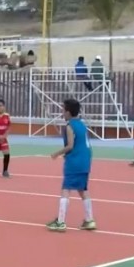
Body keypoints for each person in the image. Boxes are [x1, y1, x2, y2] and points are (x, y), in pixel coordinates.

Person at [47, 99, 96, 232]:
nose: (62, 112)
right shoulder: (82, 124)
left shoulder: (69, 126)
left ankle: (61, 222)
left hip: (74, 161)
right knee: (83, 190)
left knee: (66, 189)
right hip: (85, 161)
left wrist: (56, 153)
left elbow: (70, 146)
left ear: (68, 112)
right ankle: (89, 220)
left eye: (63, 110)